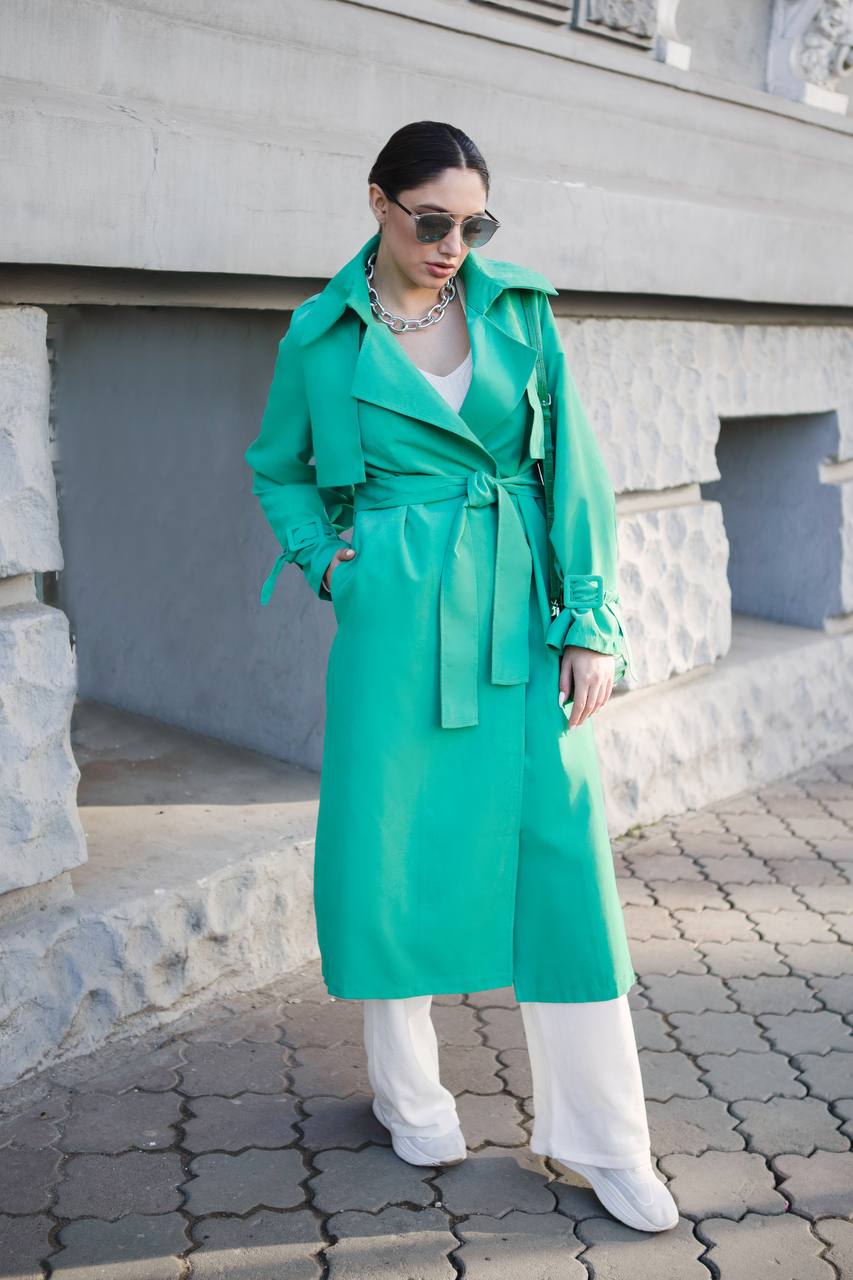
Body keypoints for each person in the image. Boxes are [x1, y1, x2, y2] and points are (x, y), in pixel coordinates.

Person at [244, 120, 678, 1233]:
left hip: (519, 611)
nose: (451, 246)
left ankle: (604, 1138)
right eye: (431, 221)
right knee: (390, 841)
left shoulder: (518, 309)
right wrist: (328, 565)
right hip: (394, 620)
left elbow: (572, 468)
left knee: (562, 856)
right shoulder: (320, 335)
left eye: (473, 225)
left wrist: (589, 621)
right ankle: (410, 1094)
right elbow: (278, 469)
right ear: (378, 203)